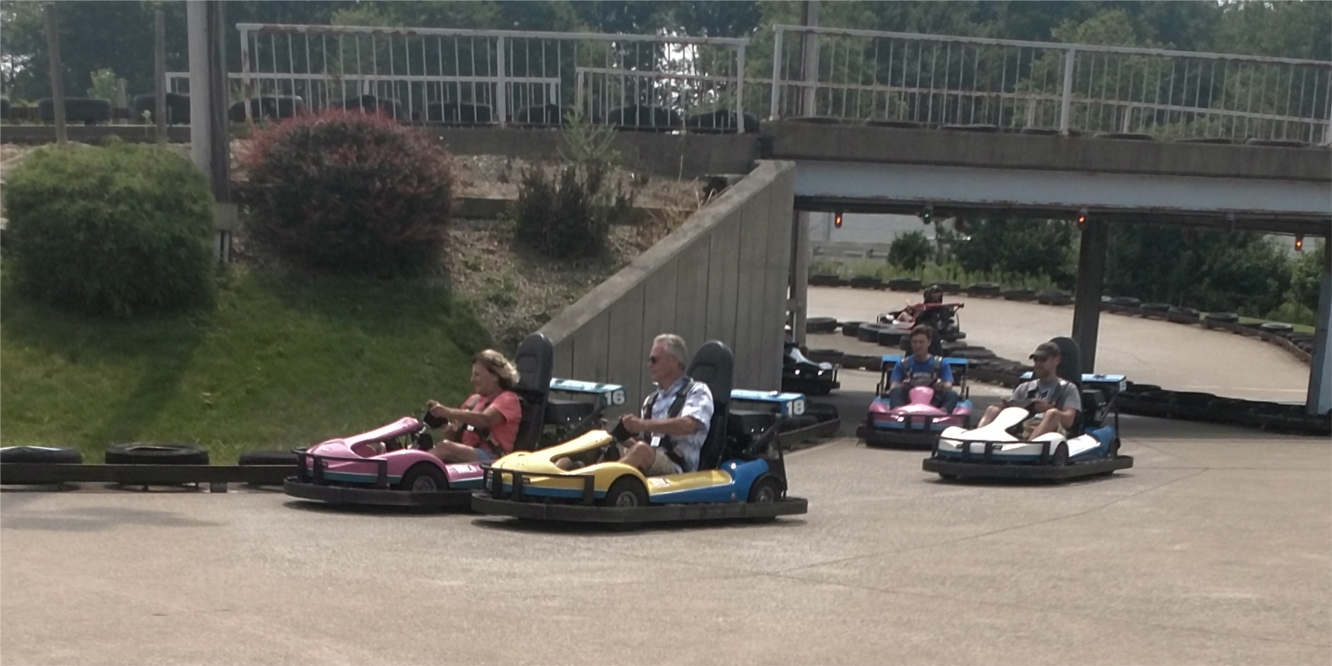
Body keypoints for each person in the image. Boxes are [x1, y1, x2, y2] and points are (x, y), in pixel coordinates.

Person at [425, 349, 523, 464]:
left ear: (495, 376)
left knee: (445, 447)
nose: (472, 380)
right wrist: (444, 424)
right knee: (423, 445)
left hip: (493, 460)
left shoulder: (508, 399)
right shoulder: (474, 401)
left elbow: (485, 420)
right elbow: (457, 437)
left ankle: (412, 470)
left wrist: (447, 412)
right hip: (469, 456)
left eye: (477, 375)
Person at [976, 341, 1081, 439]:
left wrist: (1047, 409)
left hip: (1051, 434)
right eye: (1036, 360)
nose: (1038, 364)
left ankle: (1028, 445)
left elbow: (1069, 420)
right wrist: (1006, 406)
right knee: (992, 409)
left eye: (1043, 360)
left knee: (1052, 414)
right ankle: (976, 440)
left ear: (1056, 361)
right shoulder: (1024, 387)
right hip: (1021, 427)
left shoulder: (1068, 388)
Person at [887, 325, 960, 412]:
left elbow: (948, 385)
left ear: (929, 342)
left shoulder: (940, 363)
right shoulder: (903, 364)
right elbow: (893, 387)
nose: (918, 345)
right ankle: (897, 412)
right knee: (896, 391)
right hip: (909, 402)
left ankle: (942, 413)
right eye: (915, 342)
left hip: (934, 402)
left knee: (952, 395)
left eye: (921, 342)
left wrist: (940, 386)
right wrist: (903, 385)